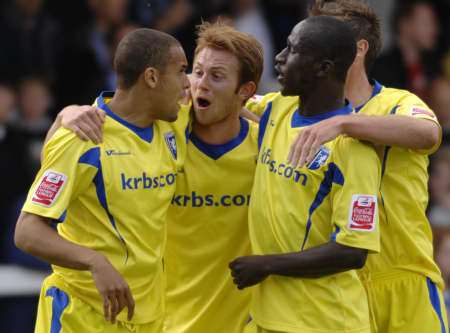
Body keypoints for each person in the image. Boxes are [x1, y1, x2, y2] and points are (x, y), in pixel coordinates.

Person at [41, 22, 263, 333]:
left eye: (217, 76)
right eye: (195, 72)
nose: (197, 85)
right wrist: (65, 114)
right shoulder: (161, 124)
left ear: (245, 91)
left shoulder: (266, 147)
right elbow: (56, 165)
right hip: (143, 319)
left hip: (229, 323)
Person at [14, 28, 189, 333]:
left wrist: (303, 128)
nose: (188, 85)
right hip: (81, 316)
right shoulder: (83, 138)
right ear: (151, 77)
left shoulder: (173, 125)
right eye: (182, 72)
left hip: (147, 317)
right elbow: (27, 231)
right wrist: (94, 261)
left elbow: (239, 104)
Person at [287, 1, 447, 332]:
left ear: (359, 48)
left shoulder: (398, 102)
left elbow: (427, 132)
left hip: (405, 281)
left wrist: (345, 125)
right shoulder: (297, 110)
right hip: (343, 290)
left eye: (324, 35)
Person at [230, 16, 381, 333]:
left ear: (323, 68)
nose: (279, 57)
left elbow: (353, 251)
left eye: (292, 49)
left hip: (324, 321)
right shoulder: (276, 109)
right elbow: (214, 95)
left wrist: (268, 263)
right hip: (268, 316)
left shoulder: (353, 151)